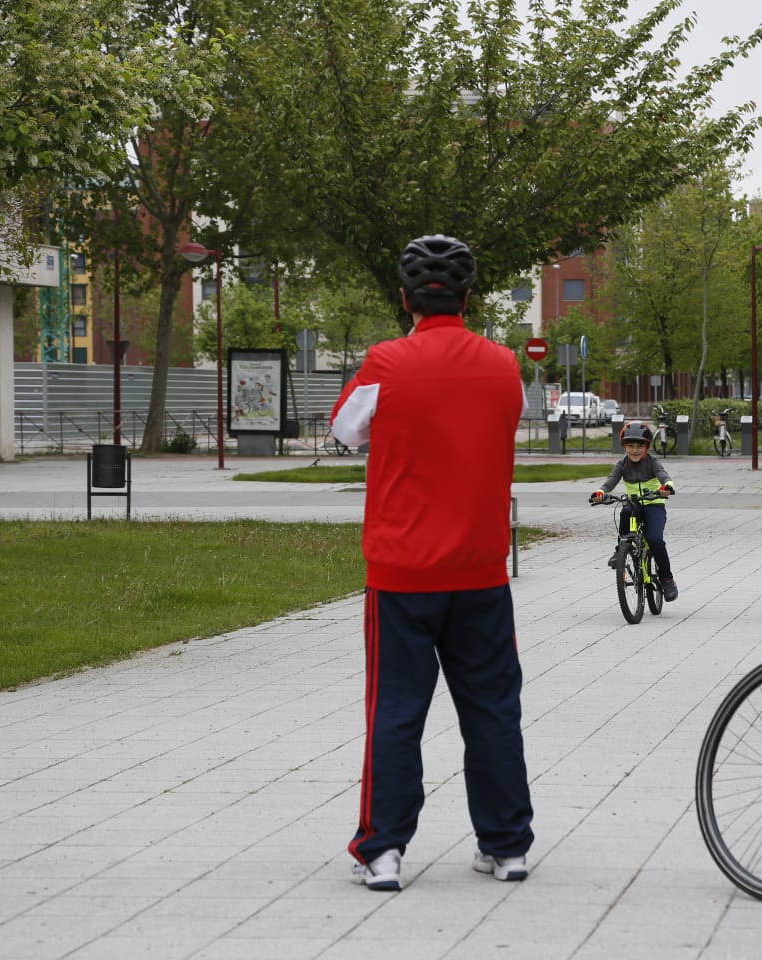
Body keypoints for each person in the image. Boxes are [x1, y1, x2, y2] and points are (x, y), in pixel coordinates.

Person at [331, 235, 534, 892]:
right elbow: (510, 419)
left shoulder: (385, 363)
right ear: (469, 298)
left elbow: (343, 430)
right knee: (493, 710)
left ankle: (384, 850)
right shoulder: (504, 365)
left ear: (404, 297)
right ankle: (507, 847)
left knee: (394, 712)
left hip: (403, 572)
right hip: (480, 569)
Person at [588, 422, 679, 601]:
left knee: (655, 540)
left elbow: (663, 475)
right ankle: (621, 549)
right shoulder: (622, 464)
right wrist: (601, 493)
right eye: (630, 446)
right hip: (634, 503)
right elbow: (610, 481)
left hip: (654, 503)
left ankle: (667, 579)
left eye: (640, 446)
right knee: (624, 511)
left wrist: (667, 486)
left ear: (647, 446)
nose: (635, 450)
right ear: (624, 446)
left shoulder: (653, 462)